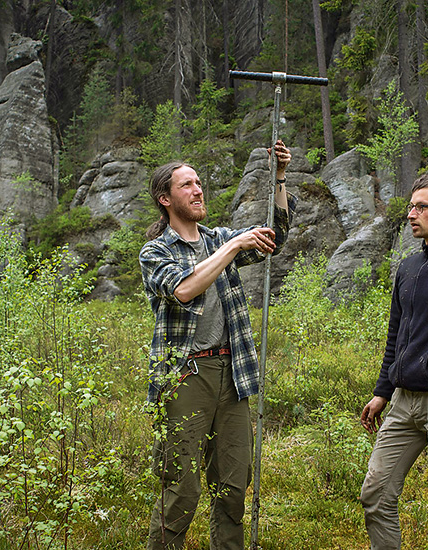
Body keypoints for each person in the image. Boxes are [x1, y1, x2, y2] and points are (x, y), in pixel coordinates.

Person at [139, 141, 296, 550]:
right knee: (180, 489)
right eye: (186, 185)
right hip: (186, 377)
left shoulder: (219, 239)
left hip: (234, 374)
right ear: (165, 199)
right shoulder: (155, 252)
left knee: (232, 486)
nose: (197, 190)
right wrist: (233, 246)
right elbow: (184, 289)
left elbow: (274, 236)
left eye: (198, 183)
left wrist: (279, 177)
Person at [359, 173, 428, 549]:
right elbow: (396, 334)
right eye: (410, 206)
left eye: (422, 207)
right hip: (403, 400)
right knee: (375, 493)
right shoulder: (407, 267)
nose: (411, 214)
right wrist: (382, 391)